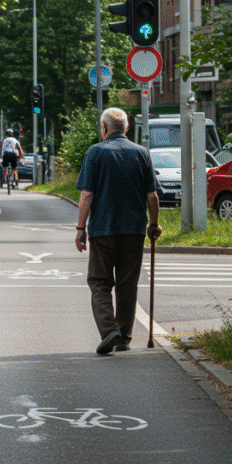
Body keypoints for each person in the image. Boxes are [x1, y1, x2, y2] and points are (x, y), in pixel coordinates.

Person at [74, 108, 163, 355]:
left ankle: (108, 330)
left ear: (104, 128)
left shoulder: (95, 153)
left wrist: (81, 228)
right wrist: (153, 224)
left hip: (103, 230)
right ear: (126, 128)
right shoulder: (141, 153)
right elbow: (152, 195)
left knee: (100, 282)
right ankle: (123, 337)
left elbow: (86, 195)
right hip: (134, 231)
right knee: (127, 284)